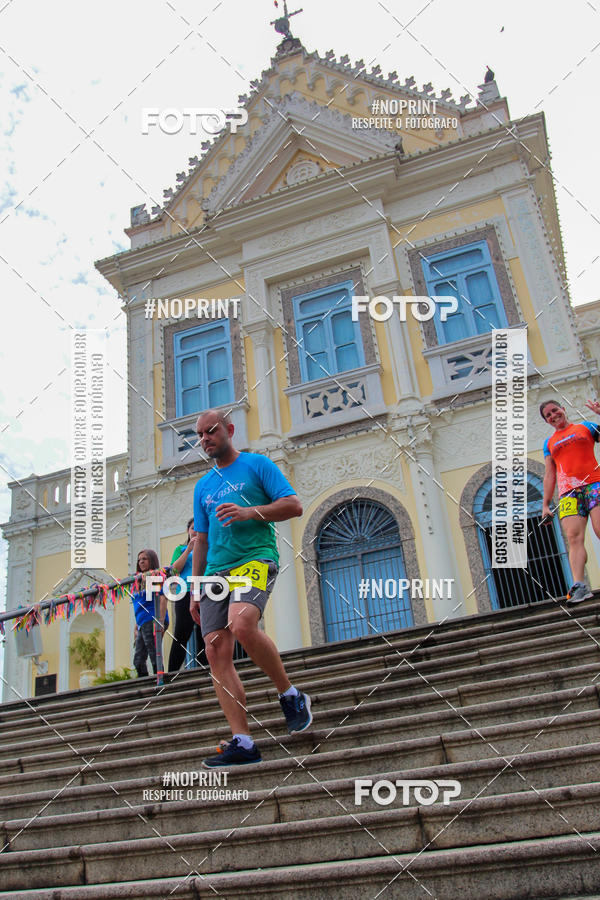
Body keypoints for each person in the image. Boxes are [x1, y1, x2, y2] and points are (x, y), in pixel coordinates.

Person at [191, 408, 311, 768]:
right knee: (215, 652)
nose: (204, 439)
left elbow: (293, 506)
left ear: (228, 429)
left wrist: (250, 512)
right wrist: (196, 588)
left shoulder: (258, 465)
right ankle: (243, 742)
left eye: (210, 431)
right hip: (215, 572)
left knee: (242, 624)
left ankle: (290, 695)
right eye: (199, 436)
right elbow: (201, 539)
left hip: (255, 560)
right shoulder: (202, 486)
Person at [541, 398, 600, 603]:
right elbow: (550, 474)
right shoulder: (549, 443)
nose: (553, 415)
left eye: (555, 410)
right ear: (546, 421)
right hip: (568, 493)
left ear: (563, 409)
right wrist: (545, 504)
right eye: (548, 415)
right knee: (573, 538)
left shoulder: (586, 427)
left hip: (594, 484)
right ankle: (579, 586)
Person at [168, 518, 207, 672]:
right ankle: (172, 672)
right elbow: (174, 570)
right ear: (188, 531)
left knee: (205, 632)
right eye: (192, 528)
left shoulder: (208, 547)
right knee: (181, 633)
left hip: (205, 591)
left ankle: (207, 669)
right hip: (184, 592)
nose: (195, 531)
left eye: (198, 528)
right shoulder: (181, 549)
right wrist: (189, 549)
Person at [132, 549, 168, 677]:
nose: (141, 561)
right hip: (143, 622)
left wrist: (160, 621)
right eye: (139, 559)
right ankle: (147, 686)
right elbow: (139, 605)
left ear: (151, 560)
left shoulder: (155, 576)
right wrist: (136, 626)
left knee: (154, 654)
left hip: (153, 618)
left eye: (144, 559)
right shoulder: (137, 580)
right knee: (138, 661)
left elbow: (163, 598)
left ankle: (161, 682)